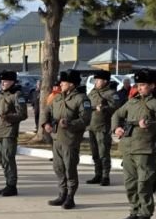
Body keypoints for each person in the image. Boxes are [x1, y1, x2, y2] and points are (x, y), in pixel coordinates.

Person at [111, 69, 156, 219]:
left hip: (145, 148)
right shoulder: (133, 101)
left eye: (143, 85)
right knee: (130, 183)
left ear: (152, 85)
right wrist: (116, 128)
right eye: (139, 85)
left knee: (144, 183)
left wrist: (151, 125)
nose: (140, 88)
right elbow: (117, 114)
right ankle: (134, 210)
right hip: (128, 146)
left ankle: (145, 214)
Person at [43, 70, 92, 209]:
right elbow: (47, 111)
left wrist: (70, 124)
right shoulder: (58, 97)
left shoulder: (82, 99)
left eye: (63, 82)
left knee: (70, 168)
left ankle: (70, 196)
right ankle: (62, 193)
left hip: (70, 139)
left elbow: (86, 119)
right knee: (58, 167)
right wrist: (45, 123)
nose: (61, 84)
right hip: (57, 138)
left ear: (71, 84)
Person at [0, 70, 28, 196]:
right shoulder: (0, 95)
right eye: (1, 81)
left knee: (8, 158)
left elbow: (23, 114)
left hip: (9, 131)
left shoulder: (17, 95)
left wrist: (8, 116)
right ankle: (7, 182)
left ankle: (12, 185)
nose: (2, 83)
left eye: (5, 81)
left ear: (12, 82)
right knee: (2, 160)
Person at [86, 70, 117, 186]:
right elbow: (87, 104)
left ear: (105, 81)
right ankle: (97, 174)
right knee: (95, 153)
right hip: (92, 127)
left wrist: (105, 107)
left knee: (103, 153)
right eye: (96, 80)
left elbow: (116, 107)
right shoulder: (93, 92)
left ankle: (105, 176)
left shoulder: (111, 93)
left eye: (98, 80)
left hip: (103, 128)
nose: (96, 82)